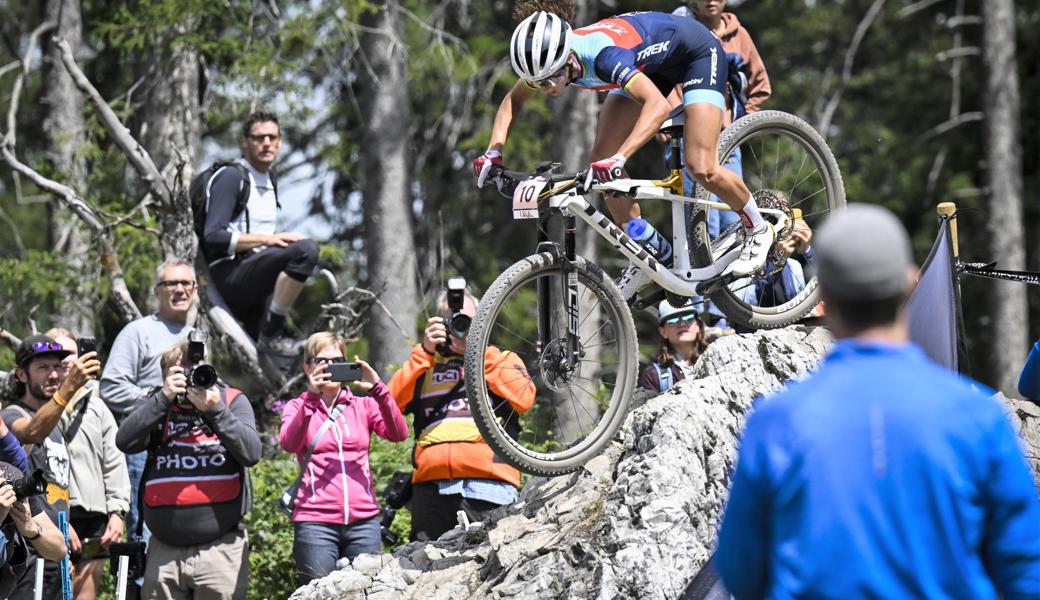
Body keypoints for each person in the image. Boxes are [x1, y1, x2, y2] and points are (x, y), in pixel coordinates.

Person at [715, 204, 1040, 599]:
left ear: (826, 300)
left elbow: (741, 570)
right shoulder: (980, 419)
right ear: (909, 284)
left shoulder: (775, 423)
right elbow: (1025, 571)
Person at [473, 5, 776, 303]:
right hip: (651, 65)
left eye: (550, 79)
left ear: (567, 57)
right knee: (600, 156)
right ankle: (644, 246)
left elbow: (656, 106)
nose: (545, 88)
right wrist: (493, 151)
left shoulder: (604, 58)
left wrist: (621, 158)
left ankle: (758, 226)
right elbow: (514, 100)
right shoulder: (547, 62)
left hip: (695, 53)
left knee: (701, 167)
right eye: (538, 82)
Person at [115, 338, 261, 600]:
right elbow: (125, 441)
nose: (188, 379)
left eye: (194, 372)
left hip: (220, 549)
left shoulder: (230, 400)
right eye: (179, 373)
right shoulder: (155, 403)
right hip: (163, 551)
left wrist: (215, 409)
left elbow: (251, 453)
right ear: (164, 377)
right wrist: (163, 399)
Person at [388, 286, 535, 542]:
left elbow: (525, 398)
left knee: (491, 569)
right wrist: (424, 352)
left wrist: (479, 349)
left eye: (468, 319)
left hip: (491, 485)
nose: (461, 325)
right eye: (452, 319)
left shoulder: (498, 358)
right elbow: (389, 406)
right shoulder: (424, 364)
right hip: (432, 489)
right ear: (438, 323)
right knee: (426, 574)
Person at [279, 332, 409, 585]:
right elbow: (289, 443)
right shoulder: (297, 406)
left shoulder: (363, 405)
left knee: (368, 591)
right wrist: (311, 399)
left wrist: (378, 389)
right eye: (322, 361)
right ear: (308, 367)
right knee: (318, 594)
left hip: (364, 523)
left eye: (337, 360)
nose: (330, 367)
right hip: (315, 524)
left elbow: (398, 433)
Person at [99, 257, 195, 596]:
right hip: (147, 448)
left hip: (191, 449)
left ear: (195, 290)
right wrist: (156, 397)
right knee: (145, 528)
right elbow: (109, 386)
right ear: (157, 291)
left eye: (186, 283)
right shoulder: (138, 331)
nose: (180, 289)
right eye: (172, 283)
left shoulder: (198, 336)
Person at [199, 110, 319, 363]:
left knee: (285, 365)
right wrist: (267, 240)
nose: (266, 143)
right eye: (259, 137)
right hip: (230, 273)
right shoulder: (232, 177)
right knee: (305, 251)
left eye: (272, 137)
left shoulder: (269, 178)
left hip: (254, 276)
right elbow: (213, 235)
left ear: (280, 142)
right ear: (245, 141)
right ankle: (273, 331)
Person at [2, 333, 98, 599]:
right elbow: (30, 432)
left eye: (58, 367)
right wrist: (70, 389)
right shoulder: (12, 415)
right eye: (43, 368)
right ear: (21, 375)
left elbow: (58, 489)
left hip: (52, 546)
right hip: (26, 554)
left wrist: (63, 541)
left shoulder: (55, 426)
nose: (54, 375)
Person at [46, 330, 130, 600]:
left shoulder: (98, 406)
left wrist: (117, 513)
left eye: (70, 353)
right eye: (56, 354)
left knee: (86, 594)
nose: (66, 360)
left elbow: (114, 462)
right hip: (52, 515)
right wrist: (57, 517)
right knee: (52, 590)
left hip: (94, 517)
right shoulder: (40, 407)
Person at [639, 300, 710, 393]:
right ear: (663, 332)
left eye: (688, 317)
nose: (682, 324)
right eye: (673, 320)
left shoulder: (717, 357)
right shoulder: (653, 375)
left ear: (698, 325)